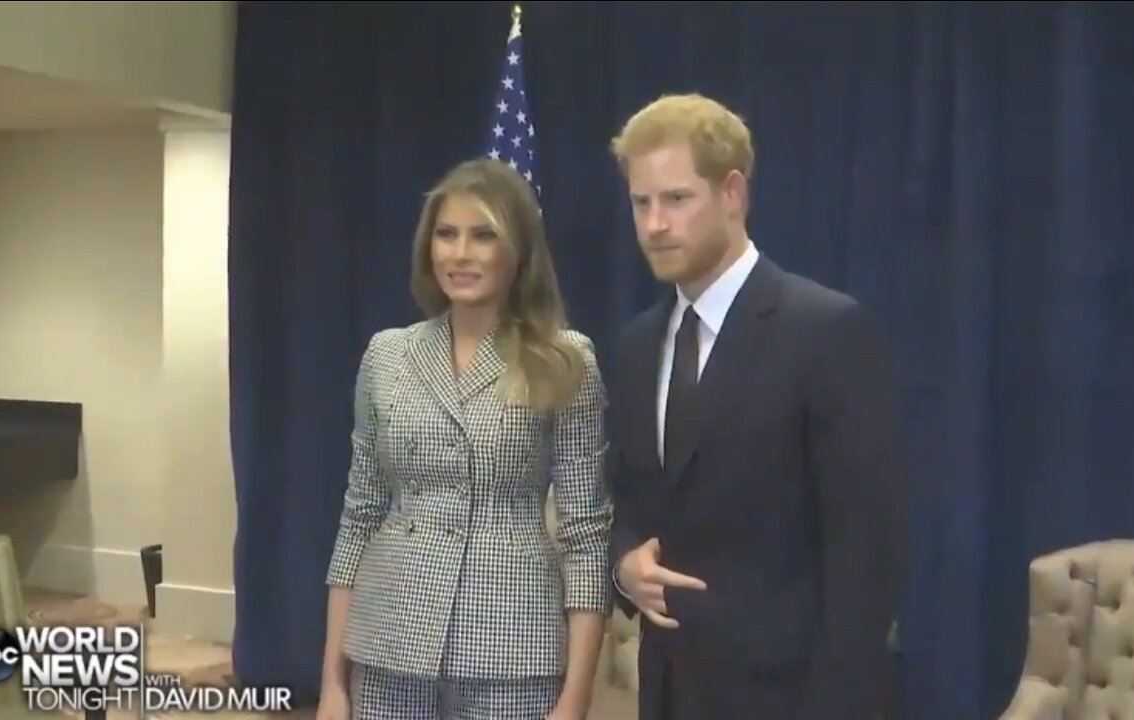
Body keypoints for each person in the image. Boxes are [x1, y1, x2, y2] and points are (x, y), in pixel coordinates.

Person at [606, 93, 903, 719]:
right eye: (641, 202)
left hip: (789, 698)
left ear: (732, 194)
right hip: (669, 693)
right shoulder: (638, 346)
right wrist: (624, 562)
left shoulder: (824, 331)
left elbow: (865, 553)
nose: (655, 223)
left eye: (677, 199)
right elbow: (632, 499)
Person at [316, 158, 612, 720]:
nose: (459, 253)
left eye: (483, 236)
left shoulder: (564, 359)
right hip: (388, 647)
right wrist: (332, 681)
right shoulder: (388, 355)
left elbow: (586, 536)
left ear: (517, 249)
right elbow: (359, 517)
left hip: (512, 656)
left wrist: (575, 699)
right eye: (446, 235)